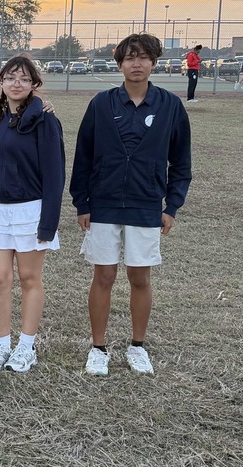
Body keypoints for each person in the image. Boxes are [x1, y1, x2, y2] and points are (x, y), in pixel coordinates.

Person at [70, 33, 192, 377]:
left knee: (140, 276)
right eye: (129, 58)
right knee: (104, 275)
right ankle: (98, 348)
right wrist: (83, 203)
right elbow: (83, 157)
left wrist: (171, 207)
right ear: (119, 63)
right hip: (104, 204)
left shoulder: (169, 106)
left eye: (143, 58)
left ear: (154, 62)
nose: (136, 64)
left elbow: (181, 164)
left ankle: (137, 346)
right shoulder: (101, 104)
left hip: (146, 205)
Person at [0, 55, 64, 373]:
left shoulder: (46, 121)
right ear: (0, 82)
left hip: (30, 210)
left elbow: (55, 175)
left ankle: (26, 347)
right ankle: (2, 345)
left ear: (33, 86)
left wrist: (48, 223)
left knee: (29, 278)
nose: (17, 83)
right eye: (11, 77)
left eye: (24, 79)